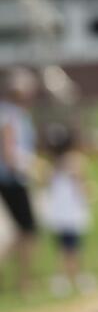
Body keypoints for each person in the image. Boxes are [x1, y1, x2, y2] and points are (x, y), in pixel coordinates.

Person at [41, 122, 96, 297]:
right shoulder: (76, 161)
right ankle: (74, 277)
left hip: (58, 213)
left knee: (63, 248)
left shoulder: (51, 166)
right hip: (71, 212)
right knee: (73, 248)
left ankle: (64, 278)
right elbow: (81, 185)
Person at [0, 66, 40, 297]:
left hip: (13, 179)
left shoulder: (14, 114)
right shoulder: (10, 116)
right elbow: (10, 153)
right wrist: (33, 167)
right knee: (27, 230)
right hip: (13, 180)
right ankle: (24, 282)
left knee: (20, 231)